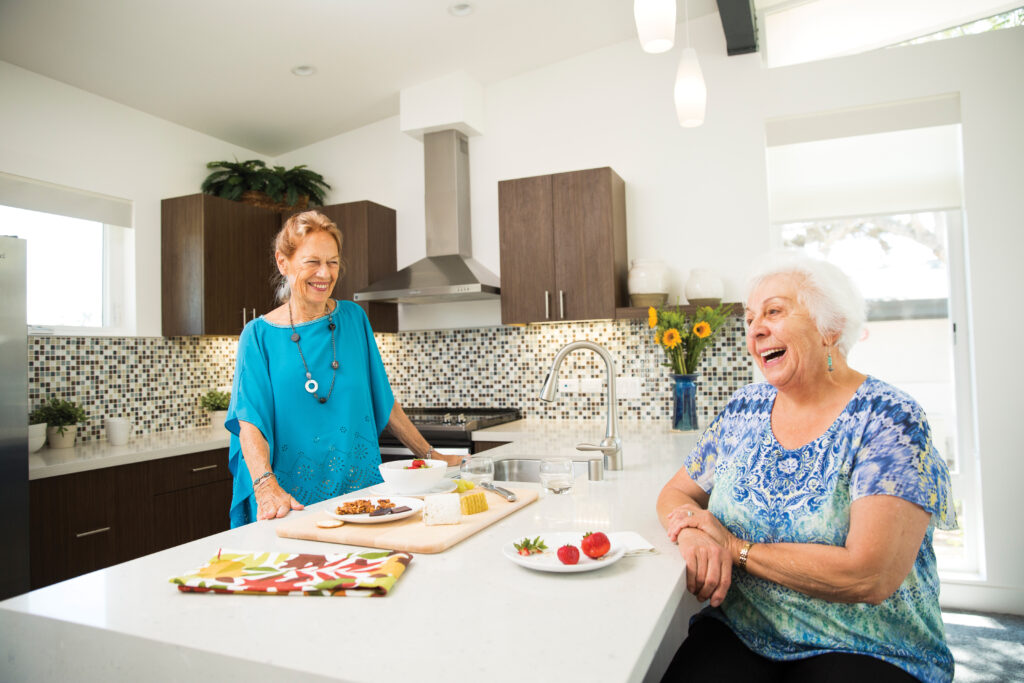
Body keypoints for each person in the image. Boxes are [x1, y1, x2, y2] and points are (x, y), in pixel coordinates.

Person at [656, 252, 957, 683]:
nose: (755, 328)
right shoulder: (745, 408)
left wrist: (736, 548)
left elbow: (870, 574)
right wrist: (690, 531)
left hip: (866, 646)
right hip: (742, 631)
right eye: (749, 318)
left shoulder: (889, 418)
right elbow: (675, 493)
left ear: (830, 329)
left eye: (774, 311)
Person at [225, 210, 462, 527]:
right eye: (312, 261)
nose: (325, 273)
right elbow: (249, 420)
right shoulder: (257, 335)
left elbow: (384, 402)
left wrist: (431, 456)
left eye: (332, 262)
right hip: (290, 501)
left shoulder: (353, 319)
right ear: (283, 262)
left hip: (361, 494)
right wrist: (266, 486)